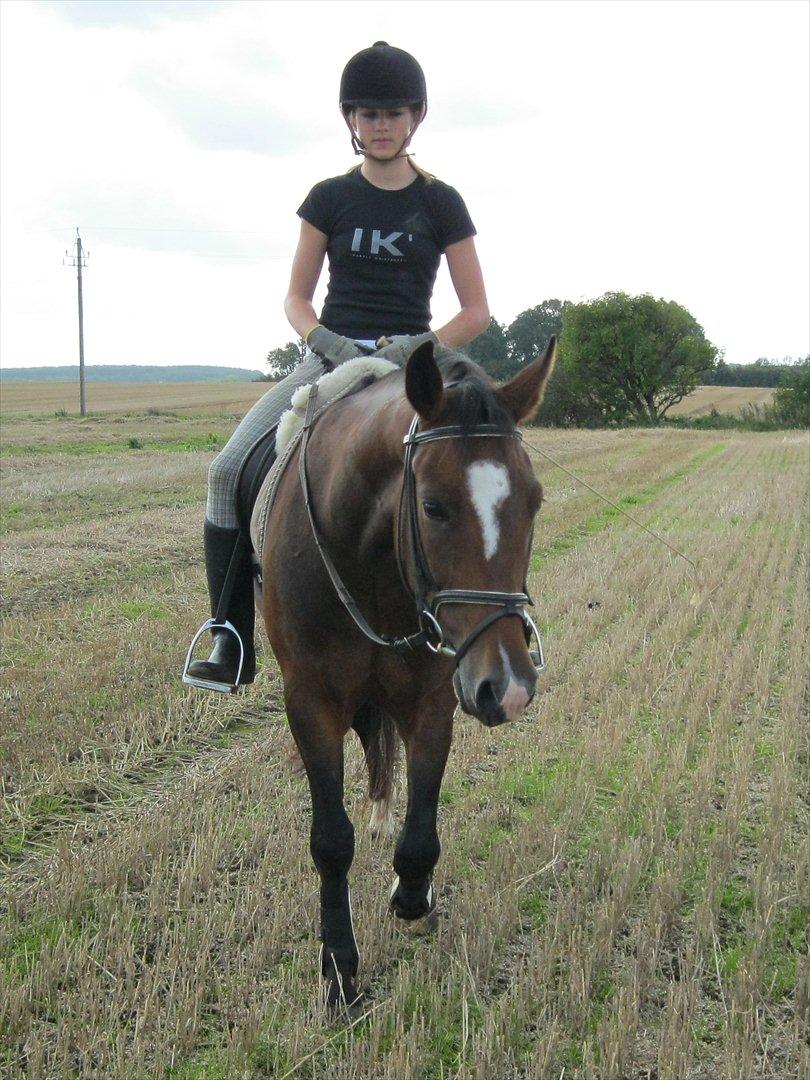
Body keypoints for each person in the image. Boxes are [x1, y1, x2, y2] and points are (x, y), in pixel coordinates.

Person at [184, 41, 490, 692]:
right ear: (350, 120)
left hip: (410, 367)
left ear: (416, 117)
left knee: (482, 480)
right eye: (367, 113)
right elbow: (295, 298)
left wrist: (414, 349)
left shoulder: (442, 203)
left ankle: (489, 628)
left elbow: (476, 310)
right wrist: (329, 340)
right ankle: (231, 639)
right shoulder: (328, 199)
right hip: (328, 360)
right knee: (226, 471)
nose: (380, 124)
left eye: (393, 112)